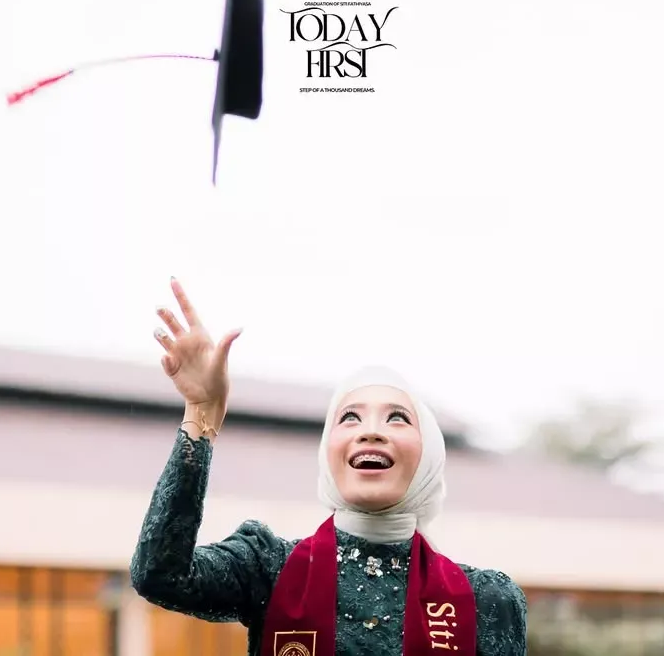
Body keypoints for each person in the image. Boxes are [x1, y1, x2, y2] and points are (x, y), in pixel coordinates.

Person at [131, 278, 527, 656]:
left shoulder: (486, 600)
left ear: (430, 457)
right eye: (350, 417)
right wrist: (201, 415)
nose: (371, 431)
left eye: (397, 419)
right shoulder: (268, 567)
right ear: (327, 450)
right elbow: (160, 576)